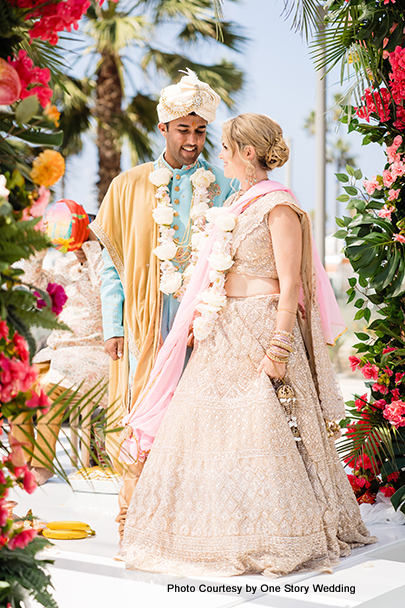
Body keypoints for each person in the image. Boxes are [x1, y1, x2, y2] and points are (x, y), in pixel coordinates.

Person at [118, 113, 377, 577]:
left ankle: (279, 531)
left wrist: (279, 345)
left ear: (248, 153)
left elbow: (292, 282)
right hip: (222, 328)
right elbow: (216, 271)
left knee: (264, 428)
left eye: (224, 147)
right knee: (203, 429)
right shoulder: (237, 202)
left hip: (261, 327)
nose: (217, 154)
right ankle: (206, 529)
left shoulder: (278, 206)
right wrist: (202, 317)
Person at [90, 69, 236, 537]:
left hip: (203, 324)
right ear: (163, 129)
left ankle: (190, 522)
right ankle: (131, 521)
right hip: (145, 323)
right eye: (183, 129)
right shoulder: (129, 185)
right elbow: (109, 262)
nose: (192, 140)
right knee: (144, 415)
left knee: (199, 417)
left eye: (200, 131)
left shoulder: (222, 187)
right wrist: (114, 324)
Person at [11, 216, 109, 485]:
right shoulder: (63, 265)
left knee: (47, 395)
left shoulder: (105, 266)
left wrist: (91, 245)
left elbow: (106, 287)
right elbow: (32, 280)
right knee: (17, 392)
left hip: (93, 352)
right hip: (57, 353)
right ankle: (20, 465)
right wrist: (41, 243)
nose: (74, 246)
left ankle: (43, 465)